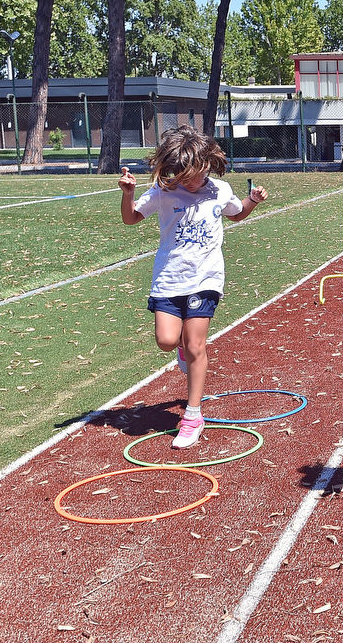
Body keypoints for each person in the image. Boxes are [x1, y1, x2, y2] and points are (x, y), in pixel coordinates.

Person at [118, 125, 267, 449]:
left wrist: (252, 201)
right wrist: (127, 194)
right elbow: (131, 219)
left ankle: (193, 416)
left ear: (207, 164)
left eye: (196, 174)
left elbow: (237, 214)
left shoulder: (219, 190)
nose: (191, 181)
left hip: (206, 278)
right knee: (166, 341)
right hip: (169, 279)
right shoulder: (163, 192)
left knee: (197, 345)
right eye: (183, 174)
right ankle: (184, 348)